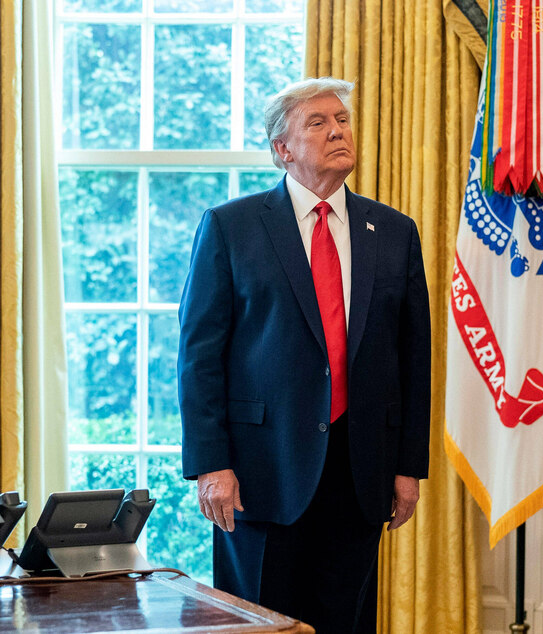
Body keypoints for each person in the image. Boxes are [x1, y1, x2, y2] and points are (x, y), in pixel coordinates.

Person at [177, 77, 431, 633]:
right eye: (317, 123)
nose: (338, 130)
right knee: (262, 626)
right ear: (282, 150)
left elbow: (414, 358)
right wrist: (210, 464)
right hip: (258, 473)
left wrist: (409, 466)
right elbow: (198, 355)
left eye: (341, 119)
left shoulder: (393, 231)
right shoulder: (231, 227)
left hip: (361, 470)